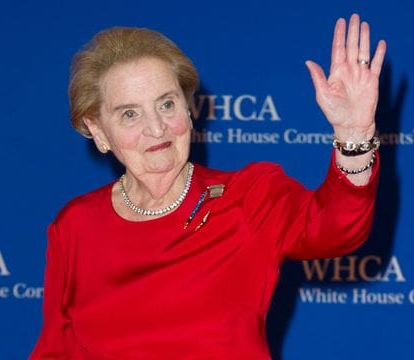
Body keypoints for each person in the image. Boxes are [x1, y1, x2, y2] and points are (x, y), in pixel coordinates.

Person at [30, 13, 386, 359]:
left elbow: (337, 227)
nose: (157, 129)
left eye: (167, 104)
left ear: (188, 109)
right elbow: (56, 350)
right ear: (98, 131)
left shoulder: (248, 196)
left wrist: (354, 135)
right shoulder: (75, 225)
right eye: (130, 114)